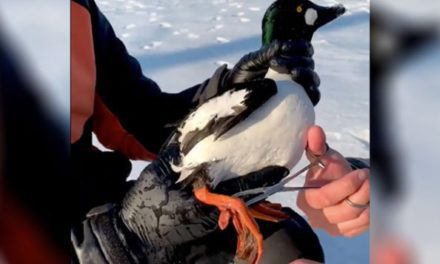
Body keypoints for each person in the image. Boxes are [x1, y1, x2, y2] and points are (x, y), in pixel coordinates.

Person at [70, 0, 369, 263]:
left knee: (286, 246)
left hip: (111, 202)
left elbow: (146, 122)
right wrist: (120, 239)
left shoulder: (78, 10)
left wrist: (229, 94)